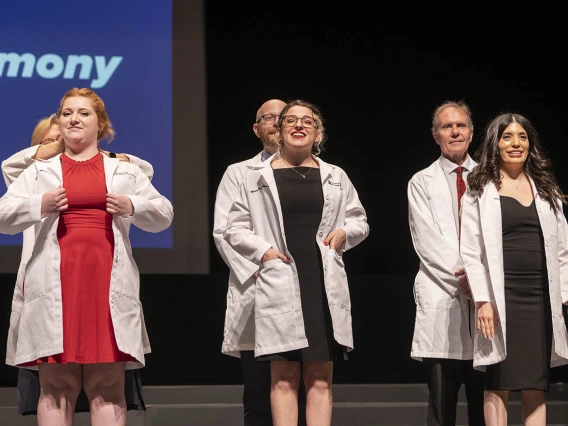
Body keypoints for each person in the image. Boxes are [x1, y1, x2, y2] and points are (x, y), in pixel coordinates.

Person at [0, 87, 173, 426]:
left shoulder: (124, 171)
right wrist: (40, 205)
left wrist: (132, 205)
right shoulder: (37, 172)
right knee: (57, 389)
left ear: (101, 124)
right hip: (56, 288)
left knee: (107, 386)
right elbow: (4, 216)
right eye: (67, 113)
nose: (73, 118)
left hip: (104, 285)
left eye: (83, 113)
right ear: (59, 122)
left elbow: (163, 214)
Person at [223, 99, 369, 426]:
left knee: (319, 377)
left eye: (307, 121)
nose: (299, 125)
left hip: (319, 282)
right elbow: (233, 227)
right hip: (279, 279)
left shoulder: (335, 176)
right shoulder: (257, 176)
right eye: (291, 120)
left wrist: (346, 232)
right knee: (284, 375)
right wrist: (264, 251)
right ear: (280, 130)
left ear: (318, 133)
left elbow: (360, 220)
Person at [460, 112, 568, 426]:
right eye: (507, 137)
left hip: (539, 298)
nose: (516, 143)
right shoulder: (480, 189)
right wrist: (483, 300)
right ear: (496, 144)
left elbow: (562, 250)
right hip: (500, 295)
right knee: (498, 383)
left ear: (530, 143)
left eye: (522, 136)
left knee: (536, 383)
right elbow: (470, 251)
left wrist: (562, 296)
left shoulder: (546, 190)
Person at [214, 98, 308, 426]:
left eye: (283, 117)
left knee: (306, 388)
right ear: (257, 129)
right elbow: (225, 232)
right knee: (258, 393)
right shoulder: (239, 173)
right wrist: (266, 269)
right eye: (269, 118)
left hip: (304, 292)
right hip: (256, 292)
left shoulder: (316, 172)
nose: (277, 123)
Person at [407, 100, 485, 426]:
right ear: (436, 135)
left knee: (486, 406)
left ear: (471, 132)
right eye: (446, 126)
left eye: (461, 125)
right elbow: (427, 241)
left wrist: (481, 282)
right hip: (443, 295)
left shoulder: (490, 178)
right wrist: (467, 278)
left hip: (485, 304)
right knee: (442, 406)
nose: (455, 131)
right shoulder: (420, 182)